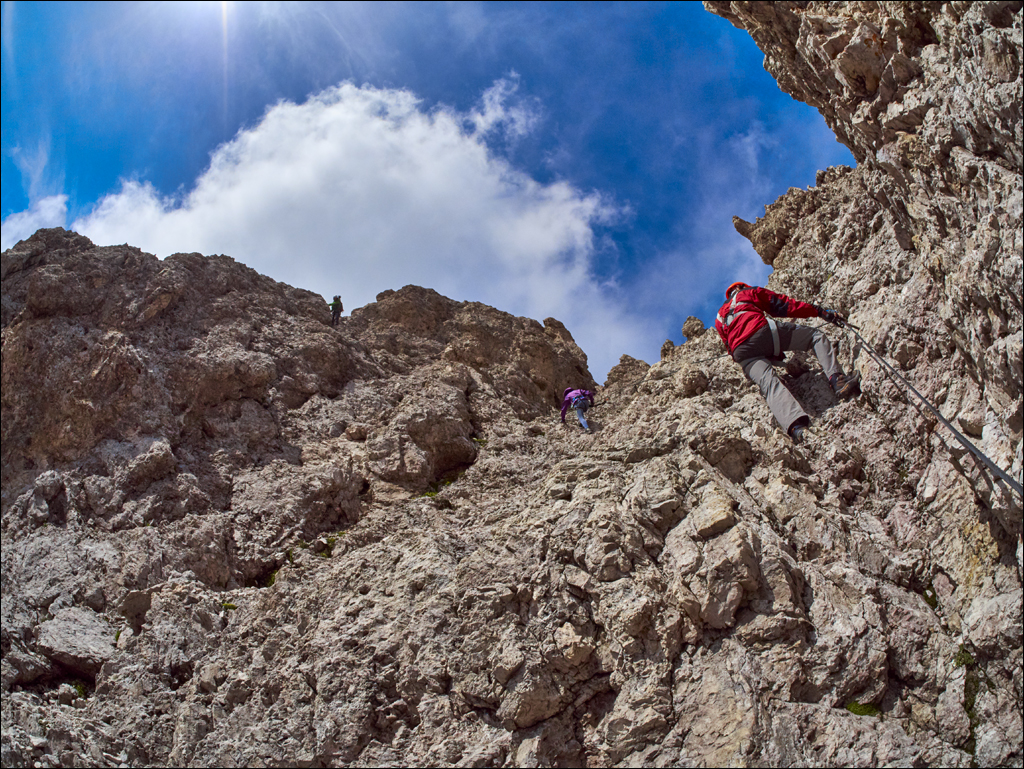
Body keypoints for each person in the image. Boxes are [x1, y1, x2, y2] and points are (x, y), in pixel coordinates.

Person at [714, 282, 860, 442]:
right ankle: (836, 380)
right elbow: (782, 305)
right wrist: (818, 311)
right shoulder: (748, 292)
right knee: (815, 337)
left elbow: (728, 346)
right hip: (760, 330)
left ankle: (796, 428)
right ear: (739, 288)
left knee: (768, 384)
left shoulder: (719, 318)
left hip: (742, 353)